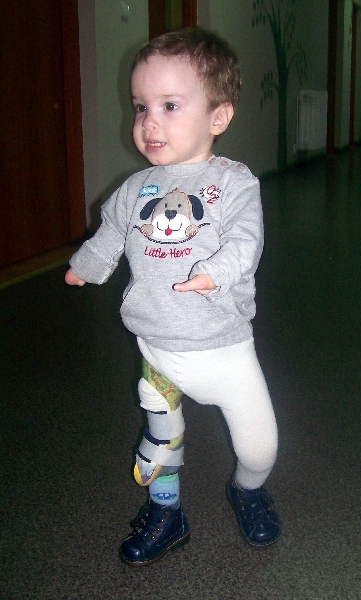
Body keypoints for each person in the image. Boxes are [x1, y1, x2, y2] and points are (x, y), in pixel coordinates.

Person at [65, 27, 280, 566]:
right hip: (157, 345)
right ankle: (167, 512)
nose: (148, 122)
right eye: (141, 106)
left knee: (259, 447)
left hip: (224, 347)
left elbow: (246, 240)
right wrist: (86, 266)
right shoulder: (134, 189)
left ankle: (247, 489)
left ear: (218, 117)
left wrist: (215, 272)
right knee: (161, 442)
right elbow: (112, 234)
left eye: (169, 105)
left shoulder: (232, 183)